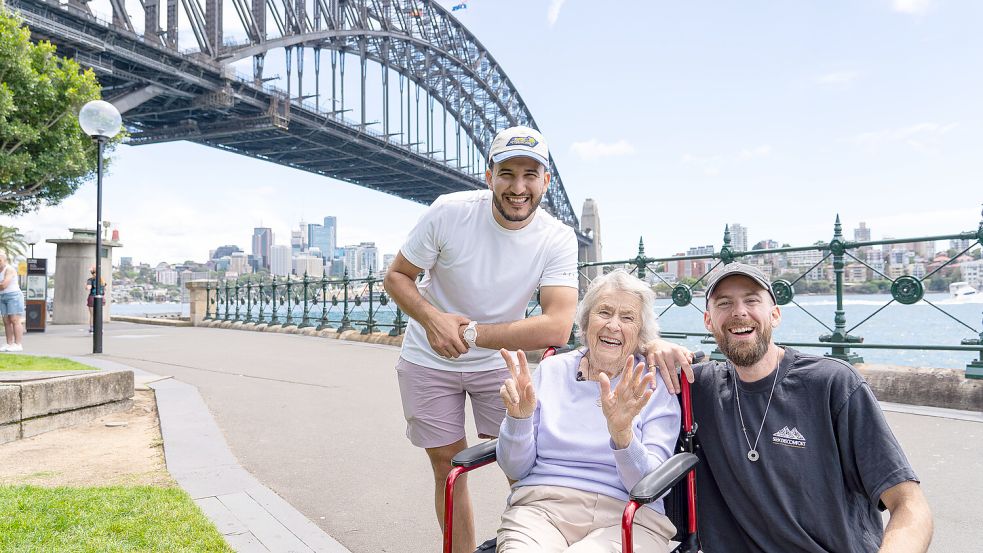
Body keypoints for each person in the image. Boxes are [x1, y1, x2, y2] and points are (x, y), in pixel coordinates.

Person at [383, 125, 579, 553]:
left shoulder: (557, 238)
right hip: (427, 360)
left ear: (546, 181)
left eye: (531, 174)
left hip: (499, 364)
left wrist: (470, 333)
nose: (519, 187)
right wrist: (433, 318)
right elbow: (397, 276)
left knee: (523, 467)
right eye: (507, 173)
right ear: (488, 176)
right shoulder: (448, 212)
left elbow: (558, 326)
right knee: (448, 469)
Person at [644, 263, 933, 552]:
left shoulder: (832, 383)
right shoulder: (698, 386)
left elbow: (909, 504)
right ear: (708, 321)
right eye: (724, 303)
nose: (739, 311)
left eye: (752, 300)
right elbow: (612, 350)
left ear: (776, 314)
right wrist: (650, 345)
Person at [495, 269, 680, 552]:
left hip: (629, 515)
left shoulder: (654, 383)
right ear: (585, 321)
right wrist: (518, 419)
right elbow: (515, 467)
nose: (613, 326)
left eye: (627, 317)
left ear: (641, 334)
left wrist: (622, 435)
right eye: (604, 312)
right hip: (543, 508)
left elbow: (647, 486)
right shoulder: (551, 369)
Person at [0, 253, 25, 352]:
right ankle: (9, 343)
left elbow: (4, 285)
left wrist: (2, 285)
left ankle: (18, 344)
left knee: (15, 320)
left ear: (5, 260)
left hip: (13, 296)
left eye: (0, 260)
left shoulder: (9, 269)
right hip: (2, 296)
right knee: (6, 321)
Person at [85, 265, 105, 333]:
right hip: (100, 298)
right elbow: (104, 289)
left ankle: (92, 328)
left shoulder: (90, 280)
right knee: (99, 314)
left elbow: (88, 288)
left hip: (92, 298)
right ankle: (100, 328)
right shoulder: (102, 280)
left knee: (92, 314)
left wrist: (86, 286)